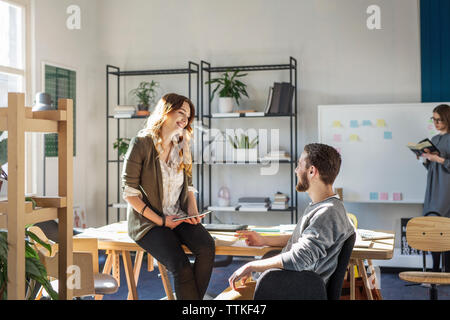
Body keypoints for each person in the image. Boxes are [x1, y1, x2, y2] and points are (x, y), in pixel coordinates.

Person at [122, 93, 215, 300]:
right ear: (166, 111)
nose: (185, 119)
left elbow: (189, 186)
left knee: (207, 247)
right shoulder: (141, 143)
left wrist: (193, 212)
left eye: (188, 116)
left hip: (178, 215)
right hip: (149, 222)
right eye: (181, 112)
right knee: (181, 267)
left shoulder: (182, 144)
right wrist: (162, 221)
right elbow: (129, 193)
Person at [228, 143, 355, 292]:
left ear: (312, 171)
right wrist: (264, 240)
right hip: (290, 284)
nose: (296, 170)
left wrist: (251, 265)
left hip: (297, 289)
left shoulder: (327, 213)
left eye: (300, 165)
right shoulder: (322, 206)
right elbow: (304, 240)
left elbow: (299, 258)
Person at [421, 104, 450, 272]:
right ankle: (434, 269)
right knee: (432, 226)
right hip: (433, 187)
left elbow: (444, 164)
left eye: (439, 119)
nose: (436, 123)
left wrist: (439, 159)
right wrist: (426, 158)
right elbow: (431, 168)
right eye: (434, 119)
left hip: (446, 189)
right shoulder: (436, 139)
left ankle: (447, 271)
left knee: (444, 228)